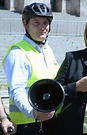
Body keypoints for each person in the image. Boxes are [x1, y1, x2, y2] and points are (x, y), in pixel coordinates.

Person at [2, 3, 59, 135]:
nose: (42, 28)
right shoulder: (18, 53)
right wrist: (33, 112)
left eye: (45, 23)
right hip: (28, 125)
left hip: (48, 122)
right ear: (25, 24)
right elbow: (17, 90)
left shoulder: (47, 50)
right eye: (36, 23)